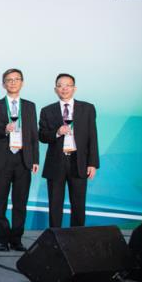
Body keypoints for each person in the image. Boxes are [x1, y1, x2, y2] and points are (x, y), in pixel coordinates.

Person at [0, 68, 39, 251]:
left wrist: (35, 159)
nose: (13, 82)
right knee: (0, 202)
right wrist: (4, 130)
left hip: (24, 159)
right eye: (9, 80)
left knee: (20, 203)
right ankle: (1, 239)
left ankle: (16, 239)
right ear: (3, 84)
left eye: (17, 79)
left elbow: (33, 134)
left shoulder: (30, 106)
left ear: (22, 82)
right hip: (2, 159)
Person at [39, 73, 99, 228]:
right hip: (56, 162)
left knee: (78, 204)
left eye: (68, 85)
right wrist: (57, 132)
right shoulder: (47, 110)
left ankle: (77, 237)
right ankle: (55, 235)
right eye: (60, 86)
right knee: (55, 204)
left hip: (78, 161)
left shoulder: (87, 108)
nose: (64, 88)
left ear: (74, 88)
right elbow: (42, 136)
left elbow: (92, 136)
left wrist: (92, 163)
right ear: (55, 89)